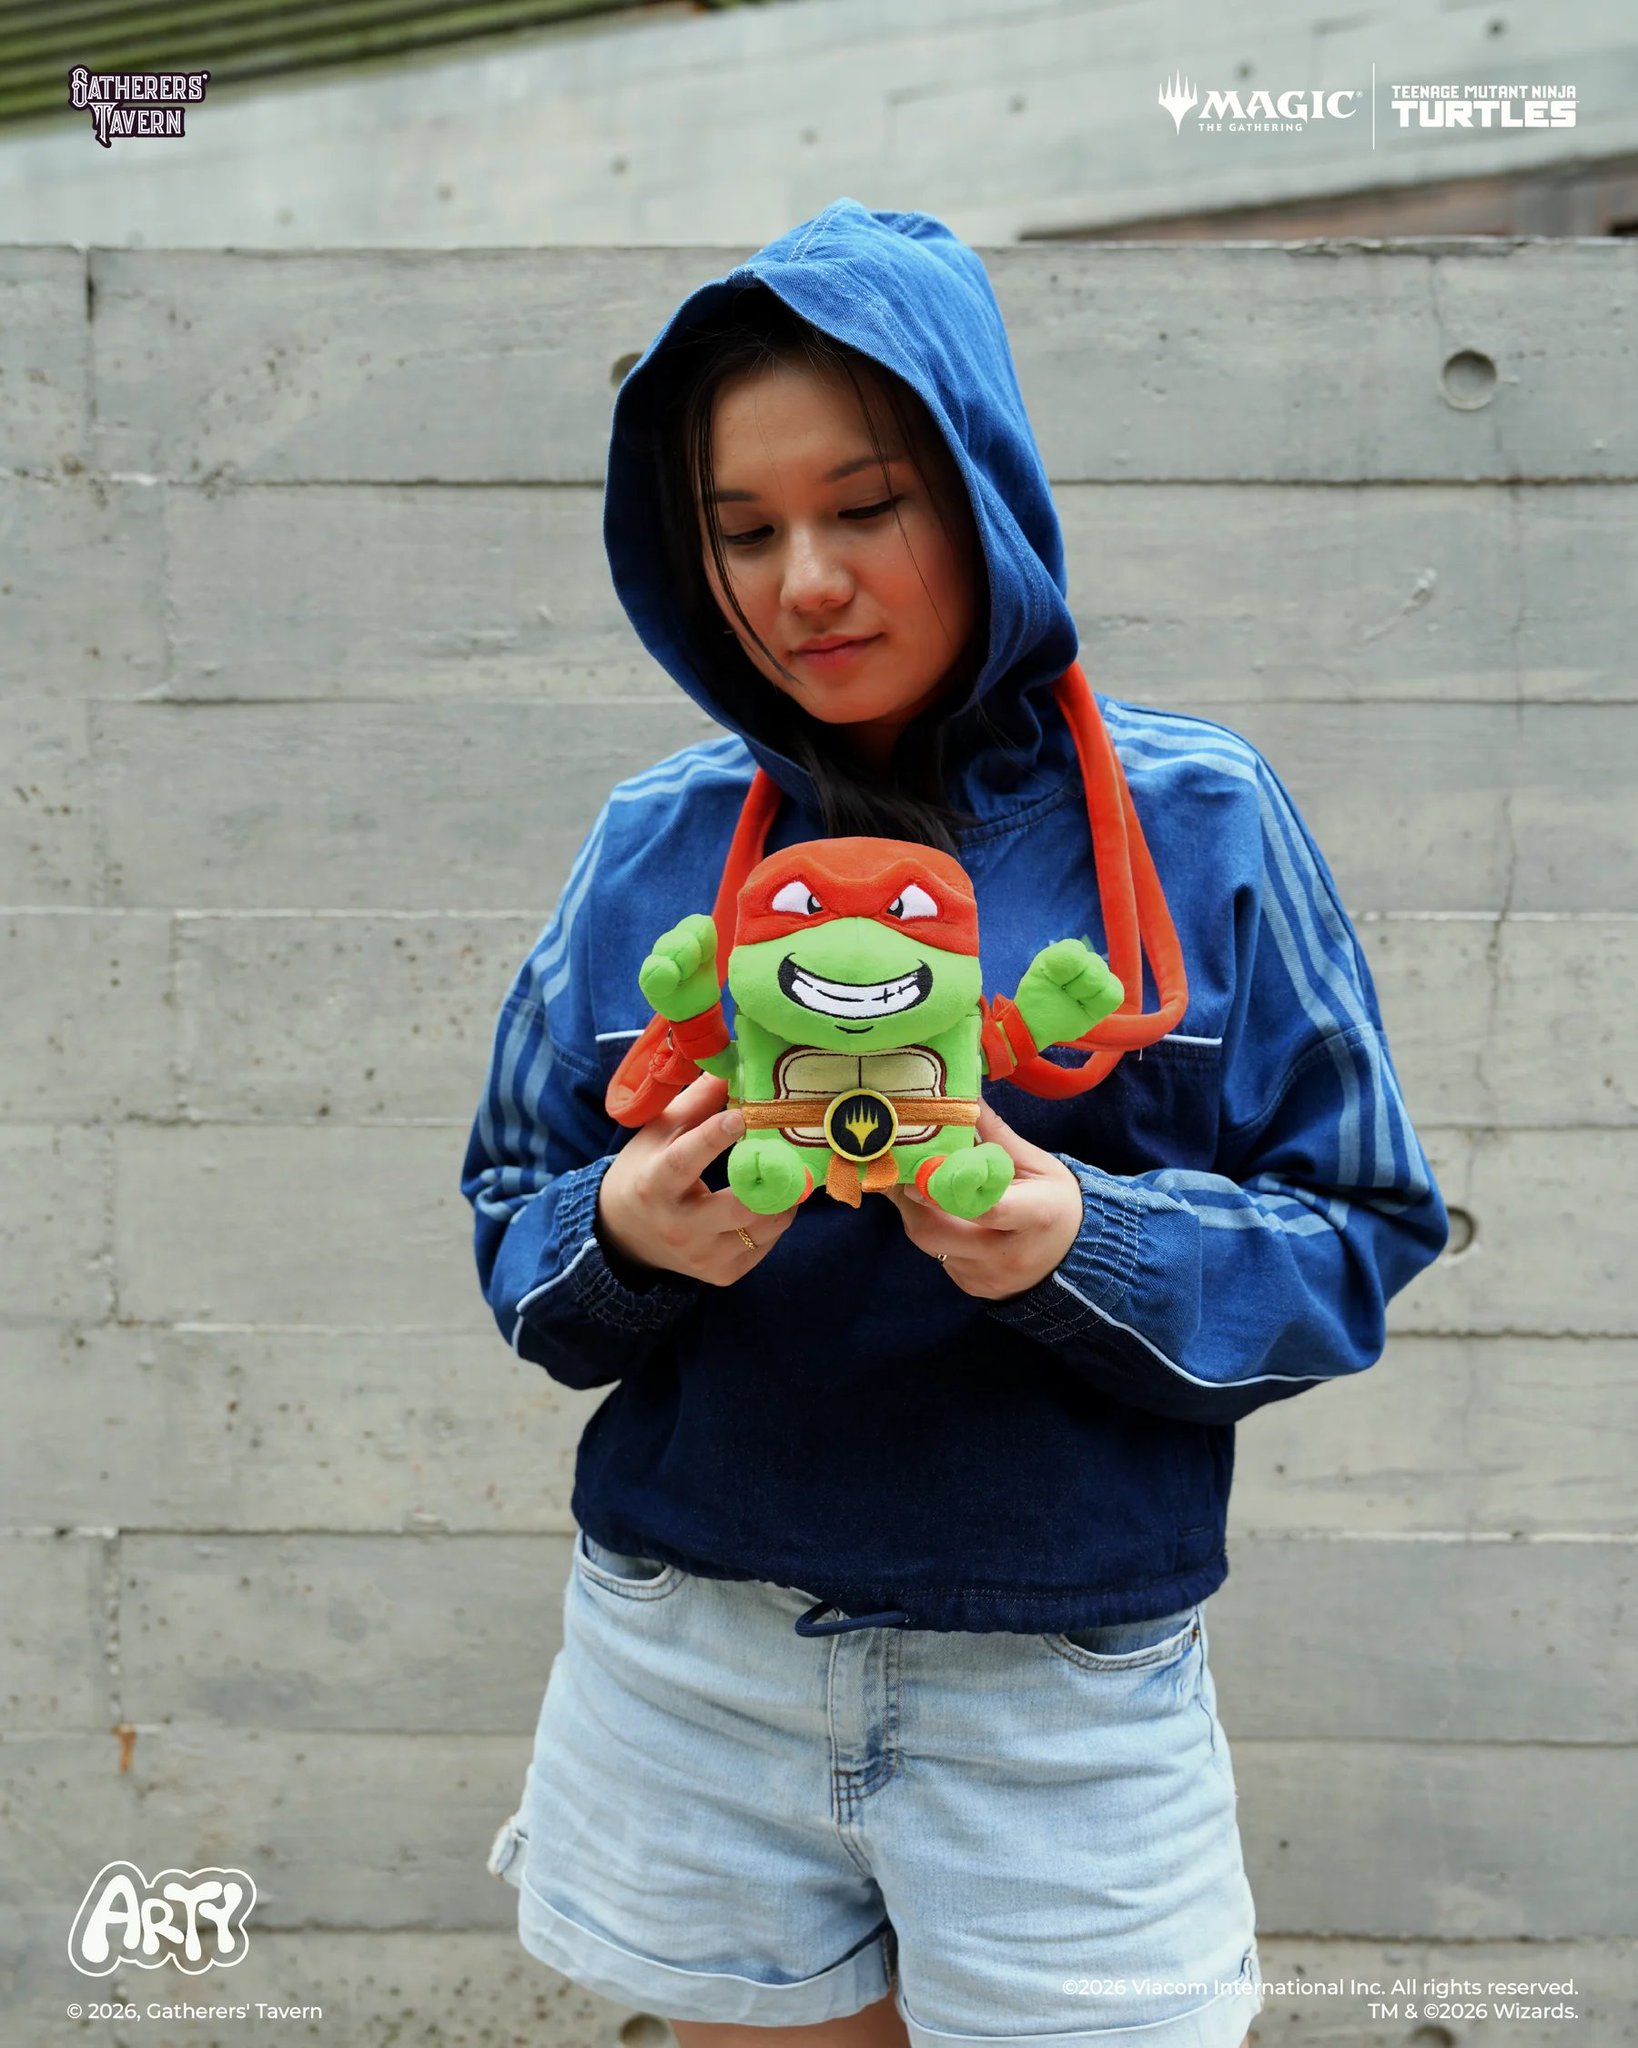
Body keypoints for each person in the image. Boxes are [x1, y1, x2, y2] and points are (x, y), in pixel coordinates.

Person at [462, 200, 1448, 2048]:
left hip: (1058, 1699)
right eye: (741, 531)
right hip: (690, 1663)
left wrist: (1084, 1240)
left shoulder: (1198, 822)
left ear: (980, 489)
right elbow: (514, 1220)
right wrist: (629, 1235)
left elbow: (1359, 1237)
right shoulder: (656, 841)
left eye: (867, 507)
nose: (802, 584)